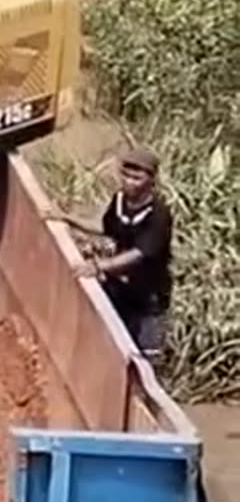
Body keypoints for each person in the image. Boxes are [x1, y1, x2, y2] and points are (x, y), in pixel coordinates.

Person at [46, 147, 174, 359]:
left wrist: (99, 266)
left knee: (145, 354)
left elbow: (139, 253)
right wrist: (68, 218)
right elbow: (107, 228)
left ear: (151, 180)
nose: (129, 182)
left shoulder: (158, 215)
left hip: (147, 296)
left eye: (137, 178)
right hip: (120, 285)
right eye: (126, 175)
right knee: (107, 337)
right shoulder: (120, 201)